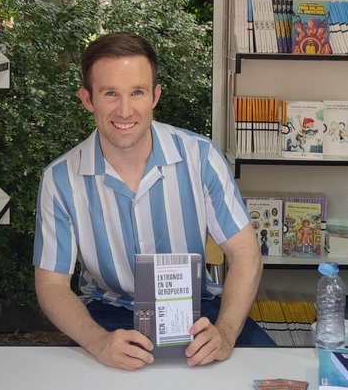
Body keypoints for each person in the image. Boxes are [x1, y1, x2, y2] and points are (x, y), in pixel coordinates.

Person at [34, 32, 270, 371]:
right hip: (108, 312)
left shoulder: (200, 157)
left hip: (197, 309)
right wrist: (99, 342)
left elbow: (246, 252)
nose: (125, 110)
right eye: (110, 93)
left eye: (138, 93)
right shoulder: (59, 180)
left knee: (267, 381)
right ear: (88, 99)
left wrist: (227, 332)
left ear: (156, 96)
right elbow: (51, 284)